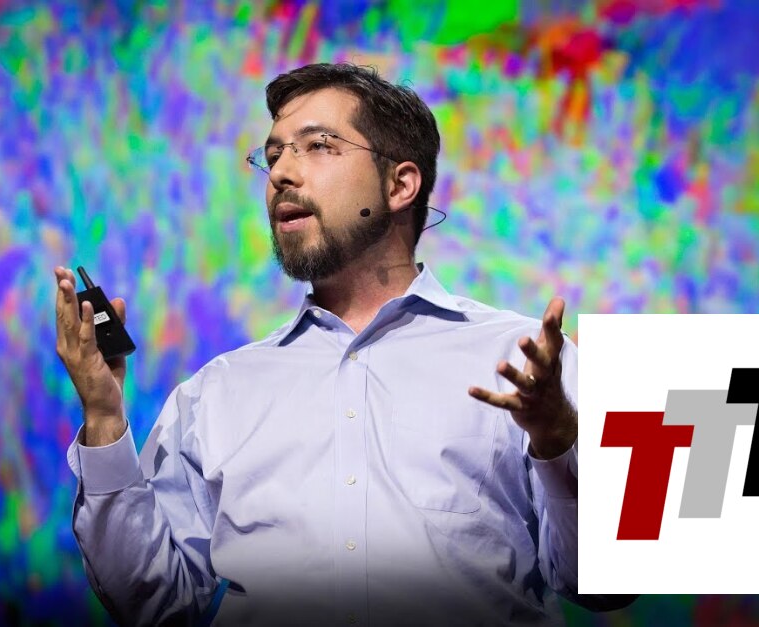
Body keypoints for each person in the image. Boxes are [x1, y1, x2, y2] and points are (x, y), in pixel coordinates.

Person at [54, 63, 633, 626]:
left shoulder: (528, 363)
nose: (281, 173)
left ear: (400, 184)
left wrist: (558, 440)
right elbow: (153, 605)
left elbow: (606, 588)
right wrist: (103, 417)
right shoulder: (216, 392)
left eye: (318, 146)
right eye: (273, 155)